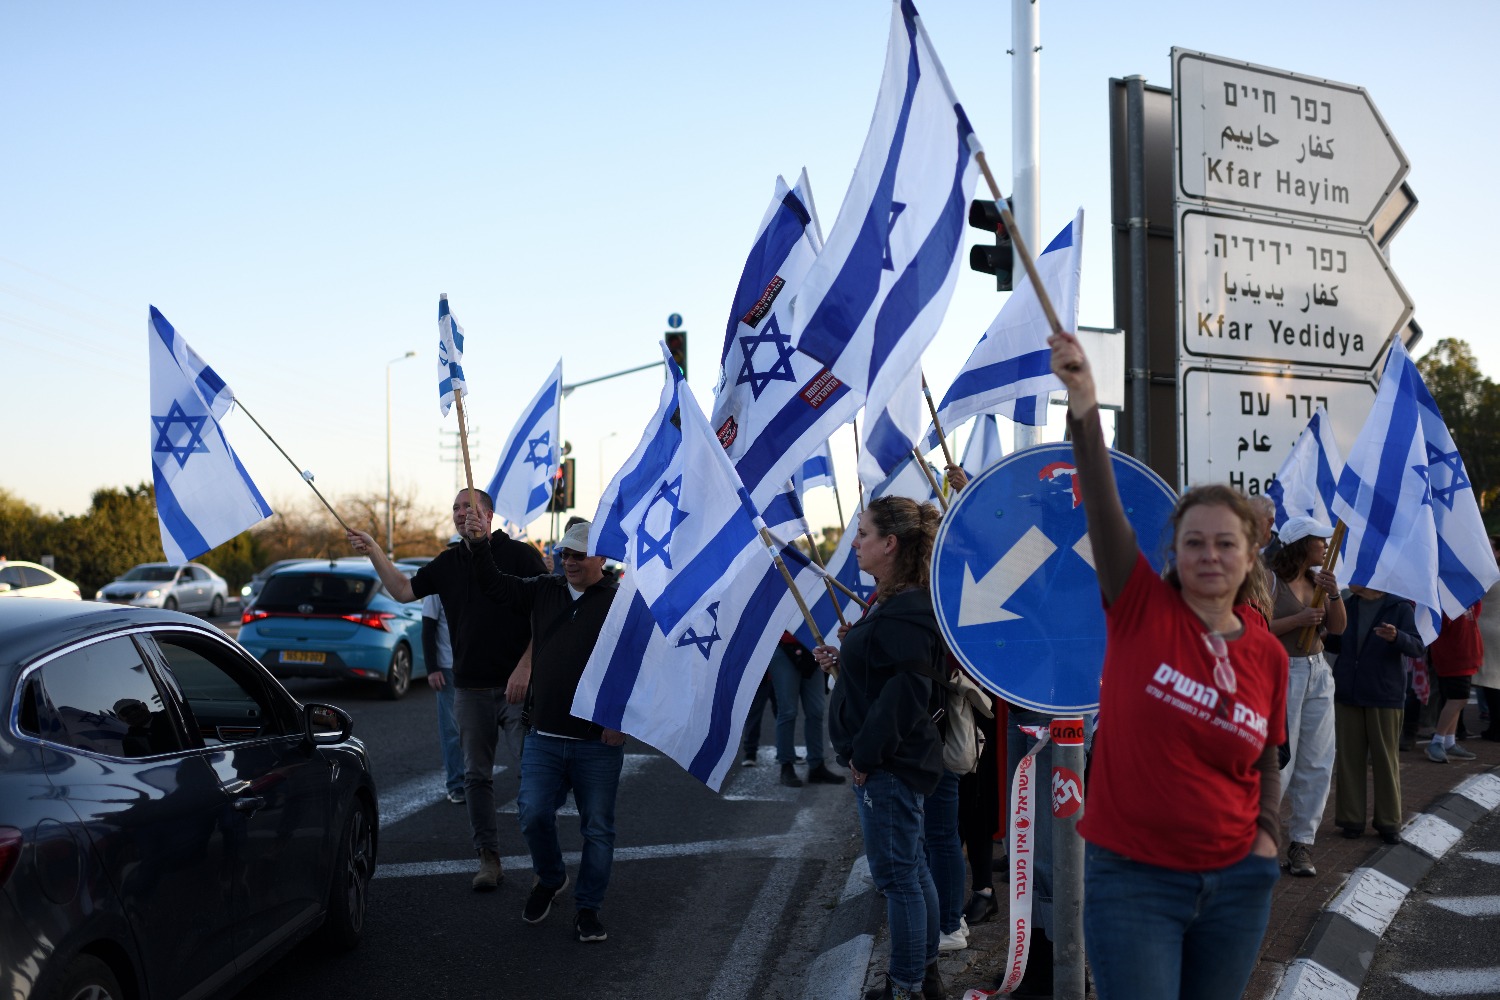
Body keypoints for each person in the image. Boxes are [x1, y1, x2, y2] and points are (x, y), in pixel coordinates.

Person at [1049, 328, 1288, 1000]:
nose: (1210, 554)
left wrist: (1268, 839)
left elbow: (1268, 755)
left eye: (1225, 542)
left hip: (1238, 884)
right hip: (1134, 881)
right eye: (1194, 542)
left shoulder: (1266, 650)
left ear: (1248, 557)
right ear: (1175, 552)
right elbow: (1102, 504)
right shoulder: (1138, 607)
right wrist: (1085, 401)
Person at [349, 488, 546, 892]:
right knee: (475, 777)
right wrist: (373, 551)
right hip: (470, 687)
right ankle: (488, 858)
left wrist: (526, 667)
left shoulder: (521, 557)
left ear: (489, 515)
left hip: (517, 688)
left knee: (534, 774)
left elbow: (547, 613)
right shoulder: (449, 562)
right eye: (455, 507)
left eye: (468, 507)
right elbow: (403, 590)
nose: (460, 513)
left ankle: (545, 860)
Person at [814, 496, 946, 1000]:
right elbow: (886, 679)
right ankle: (925, 972)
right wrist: (844, 664)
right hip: (895, 761)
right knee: (912, 869)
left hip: (889, 765)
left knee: (898, 880)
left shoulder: (905, 609)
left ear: (890, 544)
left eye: (864, 533)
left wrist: (865, 758)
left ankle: (907, 985)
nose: (856, 542)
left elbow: (906, 694)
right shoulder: (896, 602)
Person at [469, 517, 624, 944]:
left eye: (578, 555)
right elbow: (496, 585)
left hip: (597, 741)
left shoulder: (621, 601)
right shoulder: (543, 590)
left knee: (598, 829)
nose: (569, 562)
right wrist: (479, 544)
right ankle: (552, 877)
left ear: (601, 558)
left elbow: (639, 666)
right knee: (533, 812)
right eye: (564, 554)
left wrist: (620, 719)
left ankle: (588, 909)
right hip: (545, 735)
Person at [1266, 515, 1345, 877]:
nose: (1326, 547)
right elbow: (1255, 626)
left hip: (1317, 671)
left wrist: (1334, 594)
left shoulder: (1318, 581)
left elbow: (1337, 628)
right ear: (1301, 543)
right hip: (1283, 672)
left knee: (1317, 761)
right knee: (1282, 761)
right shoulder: (1269, 582)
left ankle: (1302, 844)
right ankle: (1262, 840)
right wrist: (1298, 621)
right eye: (1320, 541)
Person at [1329, 585, 1423, 841]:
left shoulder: (1400, 606)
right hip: (1348, 691)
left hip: (1384, 693)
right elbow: (1336, 644)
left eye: (1360, 573)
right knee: (1349, 759)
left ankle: (1389, 822)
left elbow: (1417, 646)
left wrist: (1397, 638)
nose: (1352, 579)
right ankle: (1351, 820)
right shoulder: (1348, 604)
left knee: (1385, 759)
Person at [770, 631, 845, 787]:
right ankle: (786, 765)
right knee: (788, 711)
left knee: (816, 710)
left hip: (811, 647)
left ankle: (816, 765)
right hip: (784, 647)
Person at [421, 541, 464, 804]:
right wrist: (432, 668)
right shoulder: (436, 587)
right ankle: (456, 783)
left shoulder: (478, 580)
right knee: (452, 730)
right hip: (448, 668)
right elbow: (428, 628)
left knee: (477, 731)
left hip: (475, 668)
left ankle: (475, 779)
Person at [1427, 600, 1484, 763]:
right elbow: (1440, 626)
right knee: (1458, 699)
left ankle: (1449, 741)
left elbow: (1476, 612)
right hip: (1455, 656)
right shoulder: (1448, 600)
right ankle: (1437, 741)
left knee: (1456, 700)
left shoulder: (1467, 598)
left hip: (1464, 655)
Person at [1477, 537, 1500, 741]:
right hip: (1495, 630)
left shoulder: (1489, 575)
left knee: (1490, 682)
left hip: (1487, 631)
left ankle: (1496, 727)